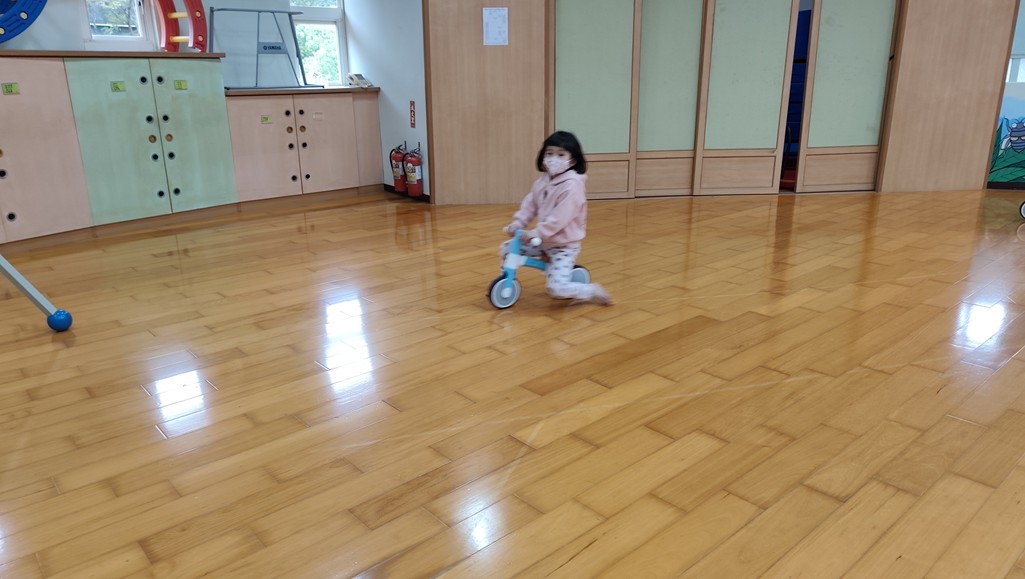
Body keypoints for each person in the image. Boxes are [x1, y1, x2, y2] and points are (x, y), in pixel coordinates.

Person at [500, 130, 612, 305]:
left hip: (563, 246)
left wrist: (536, 233)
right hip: (542, 241)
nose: (554, 159)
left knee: (556, 289)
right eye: (549, 153)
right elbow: (530, 204)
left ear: (572, 160)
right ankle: (508, 281)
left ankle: (591, 290)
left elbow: (559, 219)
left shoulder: (572, 186)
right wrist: (518, 224)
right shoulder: (543, 181)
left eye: (561, 155)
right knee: (507, 249)